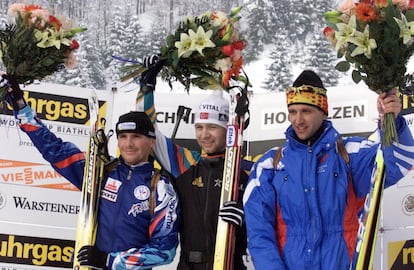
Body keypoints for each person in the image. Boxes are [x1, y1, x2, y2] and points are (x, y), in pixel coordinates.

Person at [0, 75, 179, 270]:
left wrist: (110, 261)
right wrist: (21, 107)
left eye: (136, 137)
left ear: (152, 142)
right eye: (123, 137)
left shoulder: (160, 187)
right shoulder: (101, 171)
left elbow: (164, 251)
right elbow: (55, 149)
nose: (128, 144)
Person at [242, 70, 414, 270]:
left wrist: (390, 122)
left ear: (323, 111)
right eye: (293, 111)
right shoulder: (270, 165)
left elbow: (397, 166)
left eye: (306, 111)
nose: (298, 120)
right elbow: (259, 233)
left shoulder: (350, 154)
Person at [136, 56, 252, 270]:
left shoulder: (245, 171)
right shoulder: (185, 163)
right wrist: (147, 85)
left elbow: (273, 221)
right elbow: (146, 127)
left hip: (232, 264)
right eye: (199, 127)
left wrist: (248, 218)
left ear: (228, 129)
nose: (205, 135)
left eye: (212, 127)